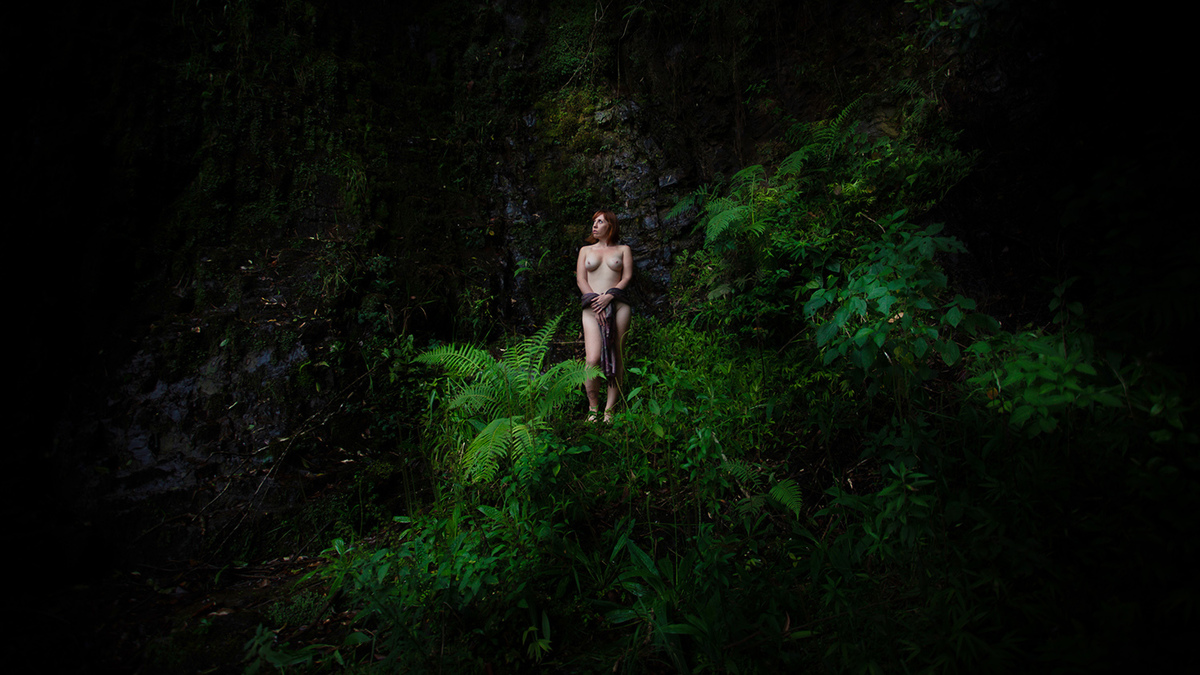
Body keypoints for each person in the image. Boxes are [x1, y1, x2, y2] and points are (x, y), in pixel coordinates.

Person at [576, 210, 633, 422]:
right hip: (591, 308)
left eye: (600, 222)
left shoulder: (623, 249)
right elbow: (581, 280)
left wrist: (609, 296)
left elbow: (626, 277)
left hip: (618, 305)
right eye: (594, 222)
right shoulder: (585, 250)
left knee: (616, 357)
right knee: (592, 359)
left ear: (611, 225)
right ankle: (593, 409)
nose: (595, 225)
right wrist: (595, 301)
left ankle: (609, 410)